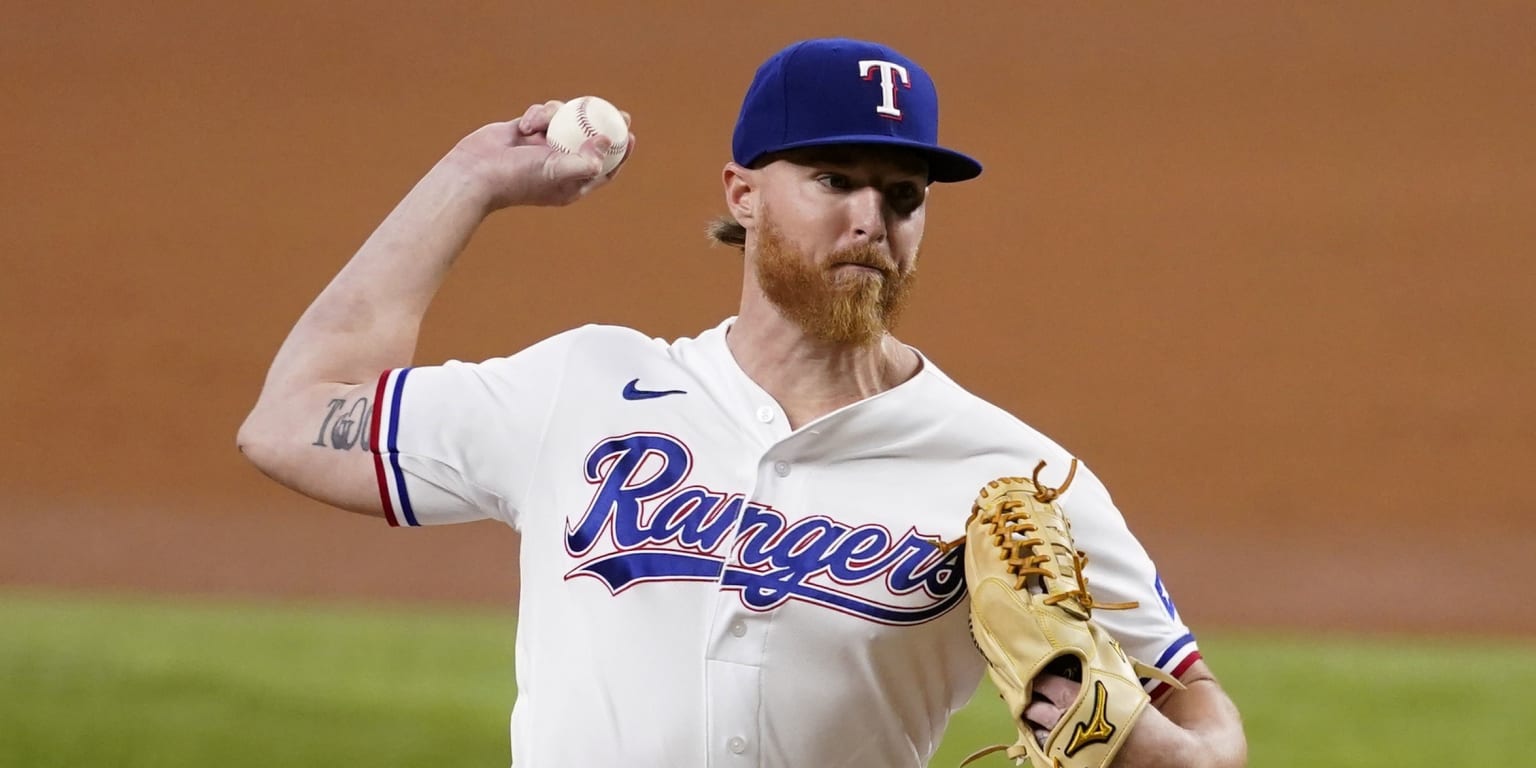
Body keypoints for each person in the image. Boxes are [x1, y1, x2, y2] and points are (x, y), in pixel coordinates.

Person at [239, 37, 1246, 767]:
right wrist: (465, 180)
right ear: (743, 193)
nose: (871, 219)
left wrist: (1145, 745)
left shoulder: (1009, 473)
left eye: (904, 196)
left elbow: (1205, 724)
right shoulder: (580, 389)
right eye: (834, 178)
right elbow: (292, 419)